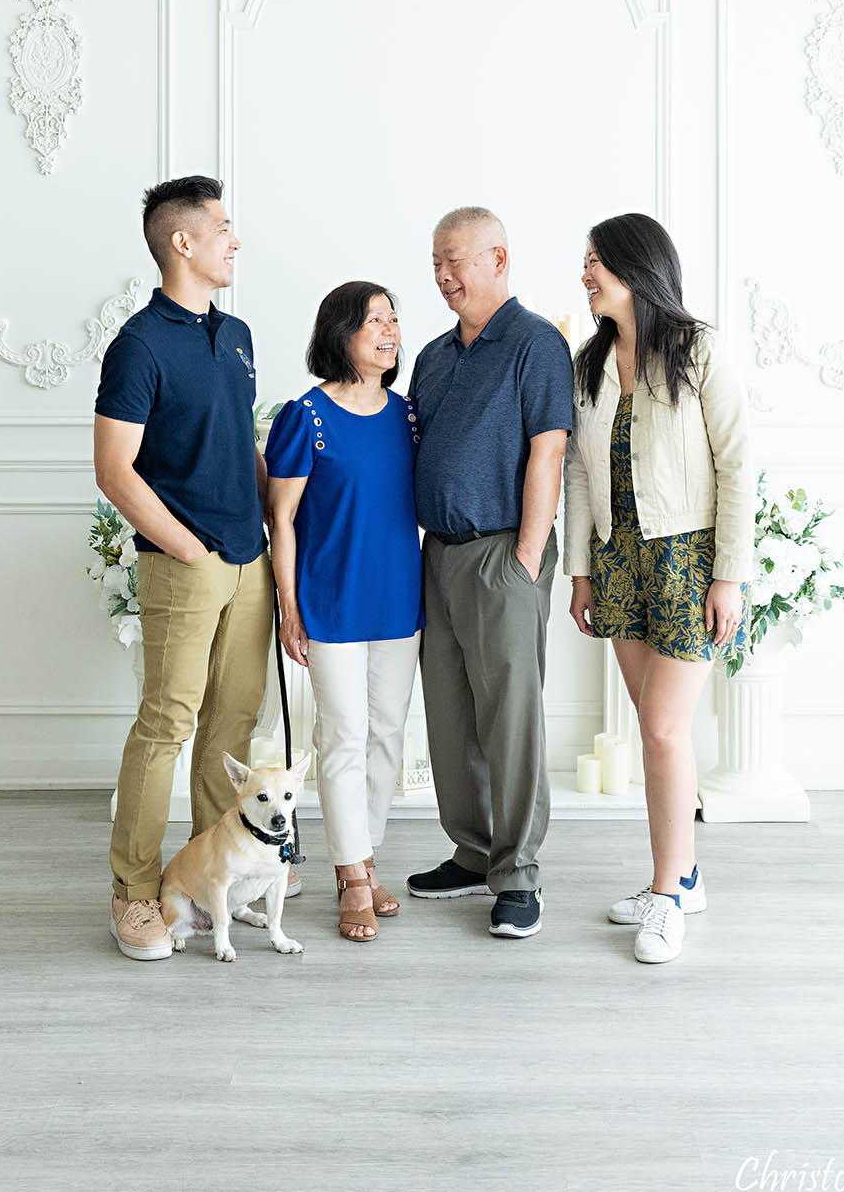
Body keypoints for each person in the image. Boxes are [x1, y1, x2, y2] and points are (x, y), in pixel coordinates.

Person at [94, 174, 277, 962]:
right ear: (183, 242)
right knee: (165, 726)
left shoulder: (236, 336)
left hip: (254, 561)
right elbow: (115, 469)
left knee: (231, 730)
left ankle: (220, 876)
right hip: (186, 563)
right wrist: (185, 545)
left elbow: (241, 449)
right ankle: (135, 894)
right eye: (224, 227)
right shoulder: (137, 345)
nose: (236, 239)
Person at [564, 212, 754, 965]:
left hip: (688, 558)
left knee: (664, 732)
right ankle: (683, 876)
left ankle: (669, 894)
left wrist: (729, 577)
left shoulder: (698, 349)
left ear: (634, 267)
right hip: (617, 560)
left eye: (595, 262)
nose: (584, 274)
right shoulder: (591, 363)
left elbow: (739, 463)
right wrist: (580, 569)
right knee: (654, 728)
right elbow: (580, 470)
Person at [406, 207, 573, 939]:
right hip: (437, 554)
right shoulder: (435, 355)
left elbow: (548, 450)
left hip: (504, 552)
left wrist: (529, 556)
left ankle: (518, 875)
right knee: (449, 716)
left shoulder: (535, 343)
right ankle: (472, 853)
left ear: (498, 260)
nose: (444, 276)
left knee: (510, 718)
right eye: (436, 264)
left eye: (456, 261)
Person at [266, 283, 423, 943]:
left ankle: (362, 853)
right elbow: (282, 518)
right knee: (345, 736)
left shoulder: (408, 416)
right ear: (340, 333)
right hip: (330, 598)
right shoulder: (305, 416)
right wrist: (289, 608)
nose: (388, 331)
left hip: (399, 598)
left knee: (388, 735)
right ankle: (353, 878)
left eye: (392, 319)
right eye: (372, 321)